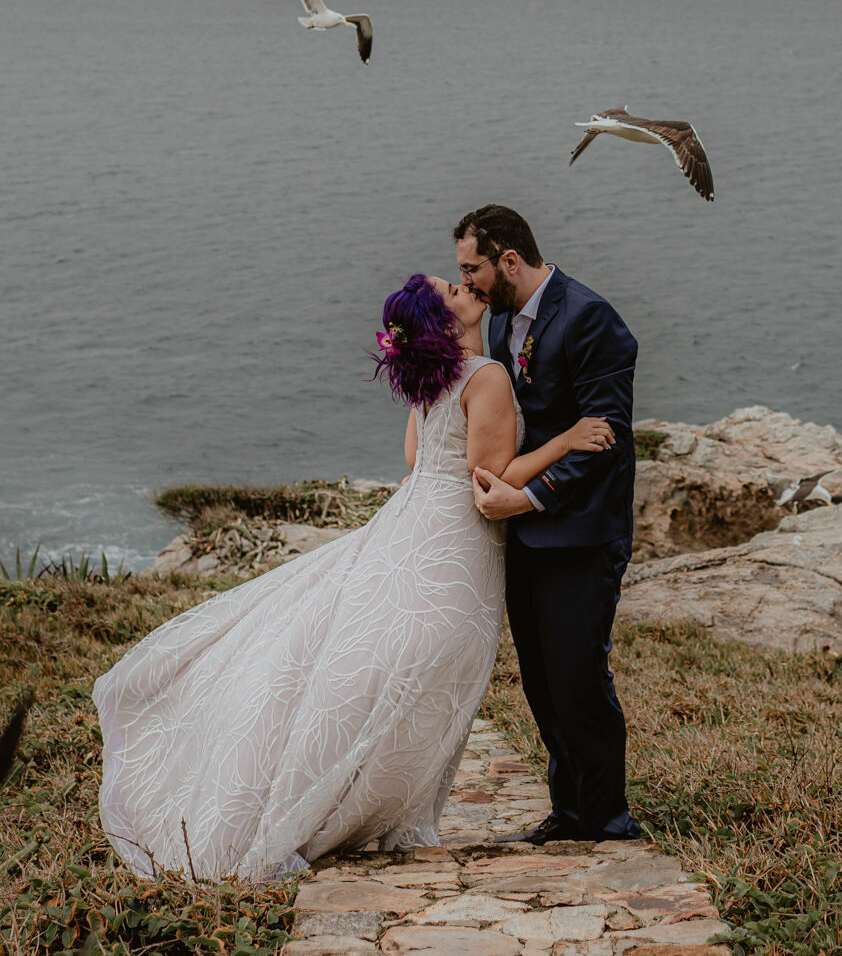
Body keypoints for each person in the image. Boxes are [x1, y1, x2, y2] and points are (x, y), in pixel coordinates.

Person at [92, 274, 612, 880]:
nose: (464, 283)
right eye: (452, 287)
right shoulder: (486, 374)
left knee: (380, 661)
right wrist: (568, 441)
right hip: (452, 542)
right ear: (446, 323)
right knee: (423, 672)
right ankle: (352, 806)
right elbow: (489, 476)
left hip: (412, 521)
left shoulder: (438, 375)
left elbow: (419, 459)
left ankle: (352, 801)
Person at [457, 204, 644, 844]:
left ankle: (607, 819)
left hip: (582, 531)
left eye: (472, 267)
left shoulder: (593, 319)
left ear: (509, 258)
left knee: (578, 675)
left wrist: (528, 499)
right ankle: (569, 812)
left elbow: (606, 440)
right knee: (540, 677)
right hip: (525, 535)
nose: (469, 281)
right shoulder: (506, 317)